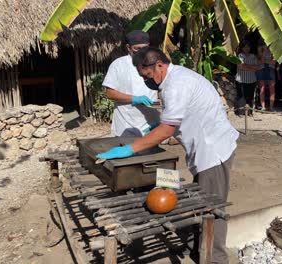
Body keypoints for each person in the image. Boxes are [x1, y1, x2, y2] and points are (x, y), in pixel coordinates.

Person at [97, 47, 239, 264]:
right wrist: (157, 124)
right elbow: (176, 115)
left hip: (213, 151)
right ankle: (195, 248)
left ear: (159, 65)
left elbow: (167, 130)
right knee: (201, 202)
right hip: (205, 148)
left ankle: (215, 259)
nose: (148, 81)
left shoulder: (176, 84)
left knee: (212, 208)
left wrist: (130, 149)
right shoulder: (177, 76)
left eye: (148, 75)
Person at [102, 30, 160, 137]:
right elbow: (109, 93)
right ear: (128, 47)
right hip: (127, 123)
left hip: (152, 121)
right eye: (137, 48)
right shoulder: (118, 65)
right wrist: (134, 99)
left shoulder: (156, 63)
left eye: (145, 48)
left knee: (151, 153)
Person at [235, 41, 258, 115]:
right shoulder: (240, 56)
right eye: (245, 47)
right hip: (241, 80)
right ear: (242, 48)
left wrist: (246, 65)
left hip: (251, 80)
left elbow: (256, 67)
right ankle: (240, 112)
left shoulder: (253, 56)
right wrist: (251, 67)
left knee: (250, 97)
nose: (247, 48)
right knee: (241, 97)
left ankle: (250, 112)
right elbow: (240, 66)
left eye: (248, 46)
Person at [256, 40, 276, 111]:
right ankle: (263, 107)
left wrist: (264, 61)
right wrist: (264, 51)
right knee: (262, 88)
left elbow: (274, 61)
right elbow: (259, 58)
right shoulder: (260, 47)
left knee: (272, 88)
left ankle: (271, 107)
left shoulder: (274, 47)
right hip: (261, 68)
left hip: (270, 68)